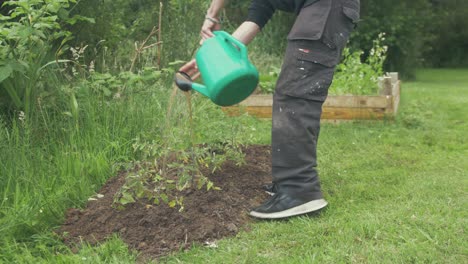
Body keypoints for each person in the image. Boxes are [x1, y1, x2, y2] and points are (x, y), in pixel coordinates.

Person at [179, 0, 360, 219]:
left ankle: (299, 191)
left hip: (325, 7)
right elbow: (259, 13)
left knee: (296, 93)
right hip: (322, 9)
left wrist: (212, 14)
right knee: (291, 91)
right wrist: (209, 58)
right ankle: (290, 183)